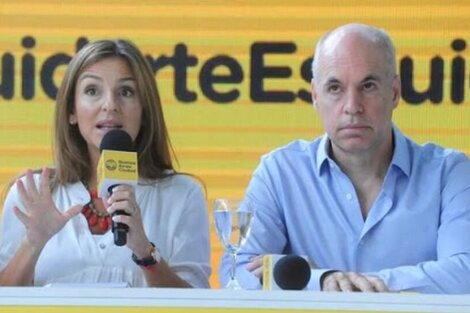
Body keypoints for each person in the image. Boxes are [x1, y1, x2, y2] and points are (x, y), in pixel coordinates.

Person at [220, 23, 470, 293]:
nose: (352, 106)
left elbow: (465, 271)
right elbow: (236, 275)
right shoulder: (280, 173)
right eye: (335, 88)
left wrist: (343, 285)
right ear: (316, 96)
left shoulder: (449, 173)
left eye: (369, 85)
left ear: (395, 92)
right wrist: (323, 280)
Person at [0, 39, 211, 288]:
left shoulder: (182, 194)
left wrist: (145, 252)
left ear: (145, 110)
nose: (110, 105)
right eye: (92, 91)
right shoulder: (34, 192)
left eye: (126, 92)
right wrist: (32, 244)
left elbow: (197, 303)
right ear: (71, 111)